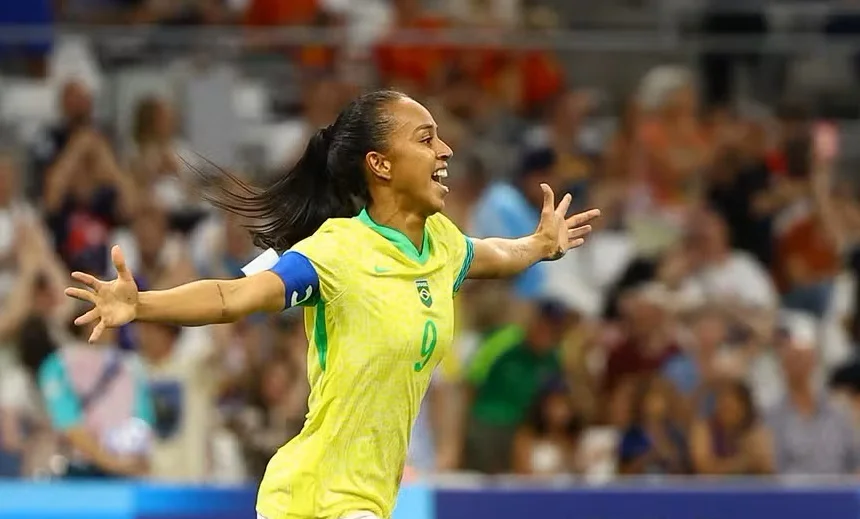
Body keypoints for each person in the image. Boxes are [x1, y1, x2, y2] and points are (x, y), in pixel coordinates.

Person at [64, 90, 600, 519]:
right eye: (426, 138)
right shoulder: (335, 252)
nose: (446, 151)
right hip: (317, 498)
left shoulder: (441, 245)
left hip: (366, 500)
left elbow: (494, 255)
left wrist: (539, 245)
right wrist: (143, 304)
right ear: (380, 164)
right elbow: (235, 295)